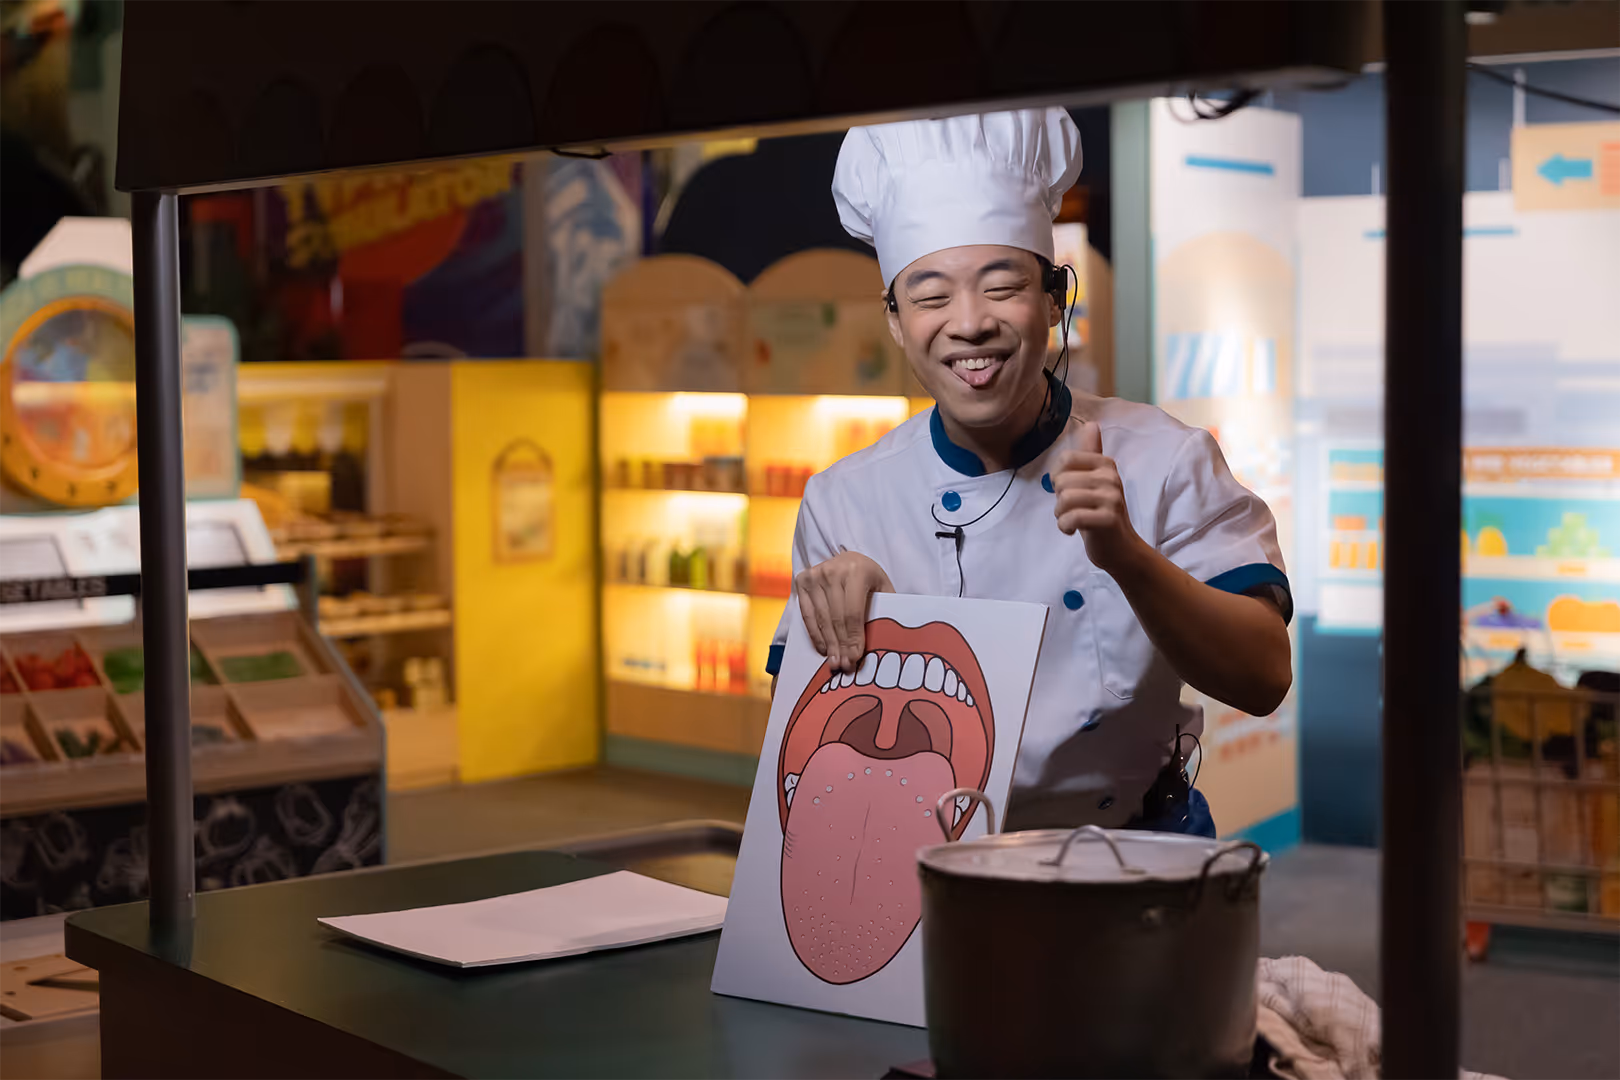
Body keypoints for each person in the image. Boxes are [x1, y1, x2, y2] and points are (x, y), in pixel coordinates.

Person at [765, 108, 1292, 837]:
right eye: (930, 295)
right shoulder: (844, 500)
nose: (969, 322)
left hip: (1128, 852)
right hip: (928, 862)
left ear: (1052, 298)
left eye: (1001, 286)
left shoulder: (1165, 458)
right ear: (894, 320)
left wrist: (1126, 557)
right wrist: (871, 634)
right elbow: (799, 749)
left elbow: (1264, 677)